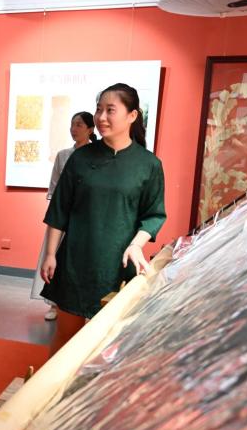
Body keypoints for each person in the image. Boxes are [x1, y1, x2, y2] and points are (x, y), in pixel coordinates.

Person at [40, 84, 166, 356]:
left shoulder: (148, 164)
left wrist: (137, 244)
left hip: (118, 264)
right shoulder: (80, 158)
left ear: (132, 115)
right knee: (65, 340)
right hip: (75, 262)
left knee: (109, 346)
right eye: (99, 110)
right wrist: (50, 254)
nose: (101, 117)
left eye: (110, 110)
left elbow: (154, 214)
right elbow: (60, 208)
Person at [31, 111, 96, 321]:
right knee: (54, 256)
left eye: (79, 125)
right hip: (63, 215)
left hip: (84, 217)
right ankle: (53, 303)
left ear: (90, 129)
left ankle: (82, 305)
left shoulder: (95, 155)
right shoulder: (63, 155)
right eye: (72, 124)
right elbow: (54, 186)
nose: (74, 129)